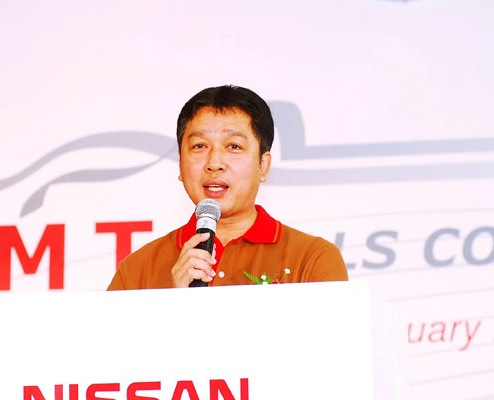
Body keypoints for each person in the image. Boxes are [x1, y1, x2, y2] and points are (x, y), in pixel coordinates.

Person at [107, 85, 347, 290]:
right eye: (199, 146)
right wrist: (175, 303)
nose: (214, 163)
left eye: (233, 146)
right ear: (180, 163)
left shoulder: (313, 259)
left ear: (263, 165)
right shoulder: (136, 270)